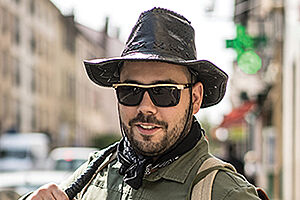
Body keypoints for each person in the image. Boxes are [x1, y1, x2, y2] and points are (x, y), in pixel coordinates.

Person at [22, 7, 265, 200]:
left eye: (163, 92)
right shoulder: (91, 177)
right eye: (130, 91)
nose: (145, 107)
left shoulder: (225, 194)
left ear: (195, 98)